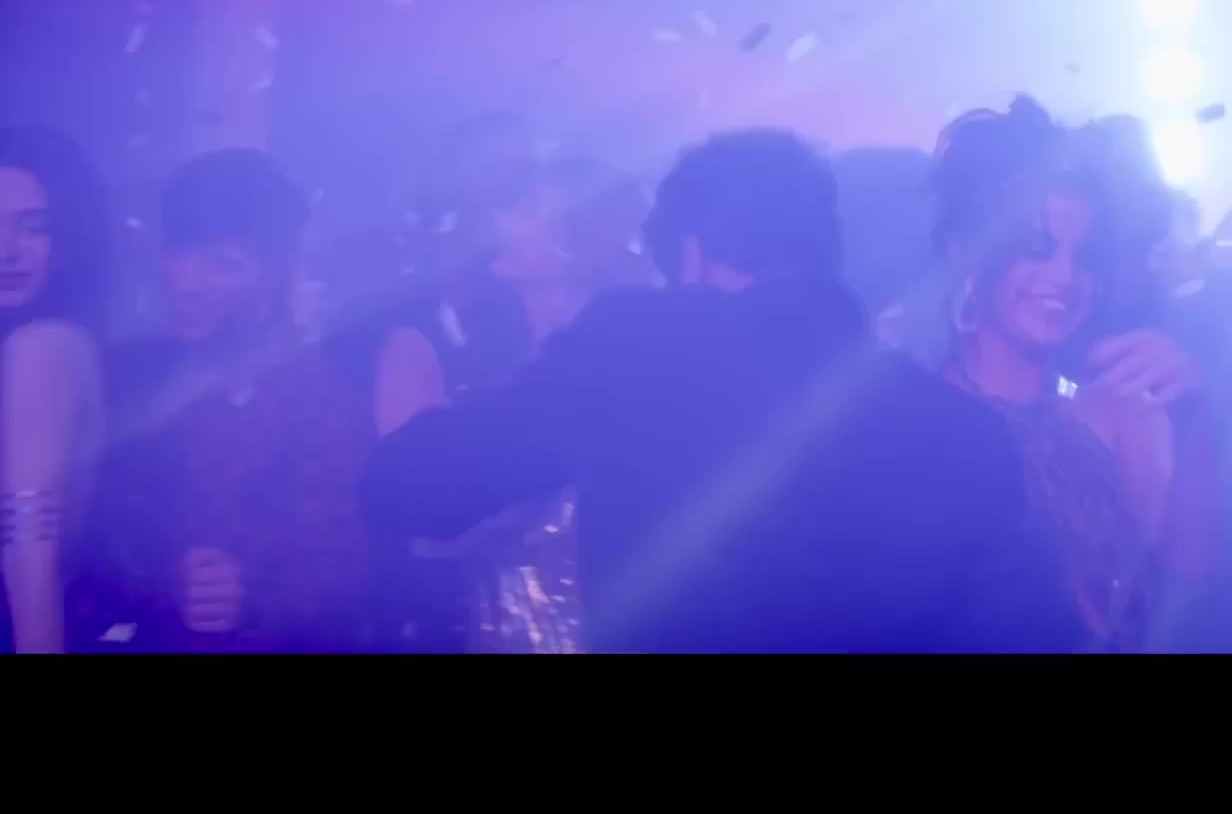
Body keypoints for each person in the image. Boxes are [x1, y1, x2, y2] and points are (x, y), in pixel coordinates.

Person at [364, 128, 1080, 653]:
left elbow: (412, 490)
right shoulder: (963, 430)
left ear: (692, 256)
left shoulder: (641, 346)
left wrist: (411, 383)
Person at [929, 97, 1219, 653]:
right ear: (967, 251)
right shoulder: (919, 410)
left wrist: (1191, 415)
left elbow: (1191, 571)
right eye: (1035, 249)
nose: (1063, 276)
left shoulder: (1108, 410)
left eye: (1082, 256)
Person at [80, 149, 376, 653]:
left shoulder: (323, 398)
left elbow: (346, 564)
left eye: (224, 265)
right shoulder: (127, 378)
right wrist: (161, 574)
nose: (188, 283)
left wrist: (252, 597)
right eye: (180, 253)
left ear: (279, 275)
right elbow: (91, 531)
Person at [369, 151, 647, 654]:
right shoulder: (449, 346)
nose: (500, 218)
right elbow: (413, 520)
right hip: (472, 623)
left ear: (580, 239)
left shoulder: (628, 355)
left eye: (524, 206)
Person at [0, 127, 109, 654]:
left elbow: (28, 537)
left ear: (70, 237)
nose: (6, 250)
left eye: (34, 227)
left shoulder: (41, 347)